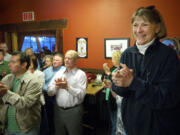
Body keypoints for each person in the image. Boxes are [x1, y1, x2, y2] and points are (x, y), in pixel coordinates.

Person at [112, 6, 180, 135]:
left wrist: (133, 82)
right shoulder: (127, 54)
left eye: (145, 24)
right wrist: (117, 83)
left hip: (159, 127)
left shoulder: (168, 55)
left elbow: (168, 98)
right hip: (132, 126)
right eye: (135, 25)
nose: (138, 30)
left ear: (157, 28)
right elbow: (123, 92)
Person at [0, 52, 42, 135]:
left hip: (26, 129)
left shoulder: (33, 81)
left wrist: (6, 93)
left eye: (13, 62)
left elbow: (25, 103)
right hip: (8, 127)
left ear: (24, 64)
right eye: (10, 61)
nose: (9, 65)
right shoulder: (8, 78)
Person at [47, 50, 87, 135]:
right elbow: (49, 92)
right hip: (58, 110)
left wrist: (67, 87)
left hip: (73, 111)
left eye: (70, 58)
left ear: (76, 61)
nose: (66, 60)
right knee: (59, 133)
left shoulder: (81, 74)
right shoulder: (59, 73)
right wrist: (56, 87)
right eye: (65, 58)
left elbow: (81, 95)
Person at [41, 53, 64, 135]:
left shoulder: (64, 71)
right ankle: (51, 131)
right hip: (46, 95)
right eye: (54, 60)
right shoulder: (46, 71)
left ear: (62, 62)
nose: (54, 61)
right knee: (49, 116)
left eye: (57, 60)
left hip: (58, 96)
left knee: (58, 117)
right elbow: (41, 83)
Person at [102, 51, 122, 135]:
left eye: (113, 58)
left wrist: (108, 73)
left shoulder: (120, 70)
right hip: (109, 96)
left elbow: (116, 82)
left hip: (116, 99)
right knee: (113, 121)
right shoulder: (114, 68)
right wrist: (105, 74)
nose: (112, 60)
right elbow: (104, 77)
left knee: (116, 124)